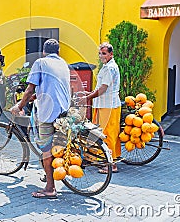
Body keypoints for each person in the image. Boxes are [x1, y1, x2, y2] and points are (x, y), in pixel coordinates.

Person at [10, 39, 71, 199]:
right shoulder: (63, 63)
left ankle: (50, 188)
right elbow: (50, 87)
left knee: (45, 150)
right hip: (64, 110)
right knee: (53, 147)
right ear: (58, 52)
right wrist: (31, 98)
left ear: (44, 51)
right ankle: (49, 172)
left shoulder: (40, 62)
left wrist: (20, 106)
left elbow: (30, 88)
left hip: (49, 113)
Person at [82, 42, 121, 173]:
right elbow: (101, 87)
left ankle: (111, 165)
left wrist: (88, 97)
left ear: (111, 54)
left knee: (107, 134)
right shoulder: (107, 67)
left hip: (108, 105)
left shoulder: (110, 68)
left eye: (104, 53)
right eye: (100, 53)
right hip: (104, 104)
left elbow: (103, 89)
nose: (101, 56)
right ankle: (106, 159)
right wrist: (90, 93)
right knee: (103, 133)